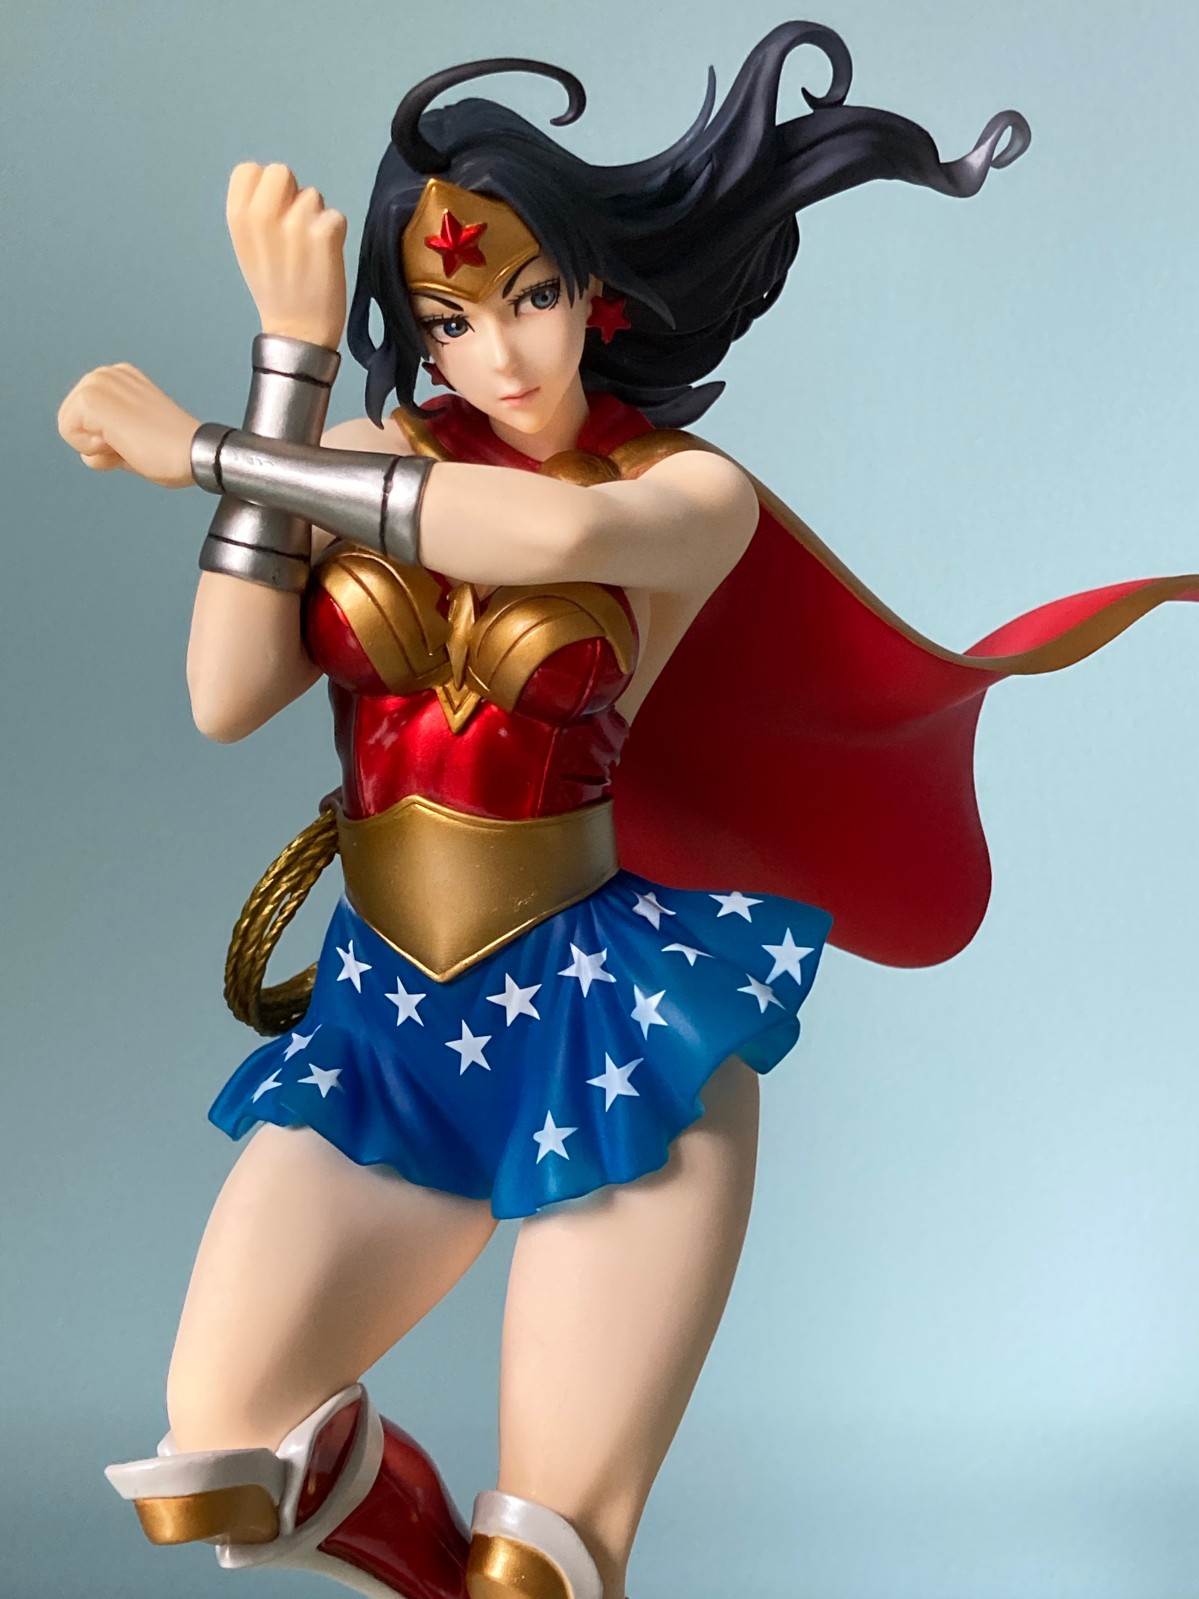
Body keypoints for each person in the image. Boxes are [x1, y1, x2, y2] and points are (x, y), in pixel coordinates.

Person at [55, 23, 1197, 1599]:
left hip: (606, 1032)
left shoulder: (682, 495)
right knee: (219, 1465)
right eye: (449, 317)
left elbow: (526, 538)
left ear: (594, 288)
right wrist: (290, 363)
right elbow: (225, 691)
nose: (501, 354)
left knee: (548, 1565)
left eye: (529, 295)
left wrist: (204, 453)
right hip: (389, 1032)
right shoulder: (350, 452)